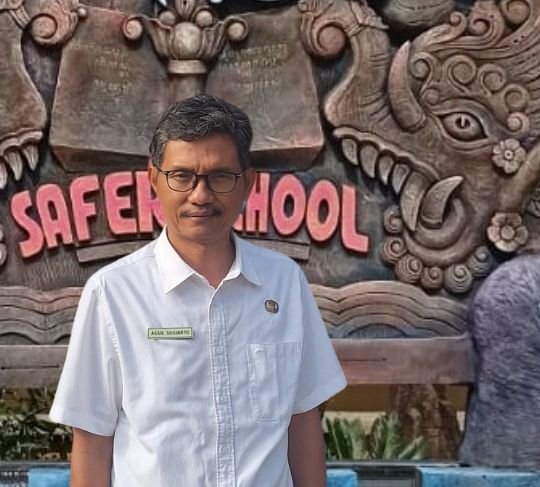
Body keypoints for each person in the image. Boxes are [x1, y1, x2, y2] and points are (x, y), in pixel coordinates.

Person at [49, 94, 346, 486]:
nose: (200, 195)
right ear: (154, 178)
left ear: (248, 183)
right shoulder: (113, 294)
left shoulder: (284, 284)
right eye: (182, 176)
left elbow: (302, 421)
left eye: (220, 177)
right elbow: (92, 440)